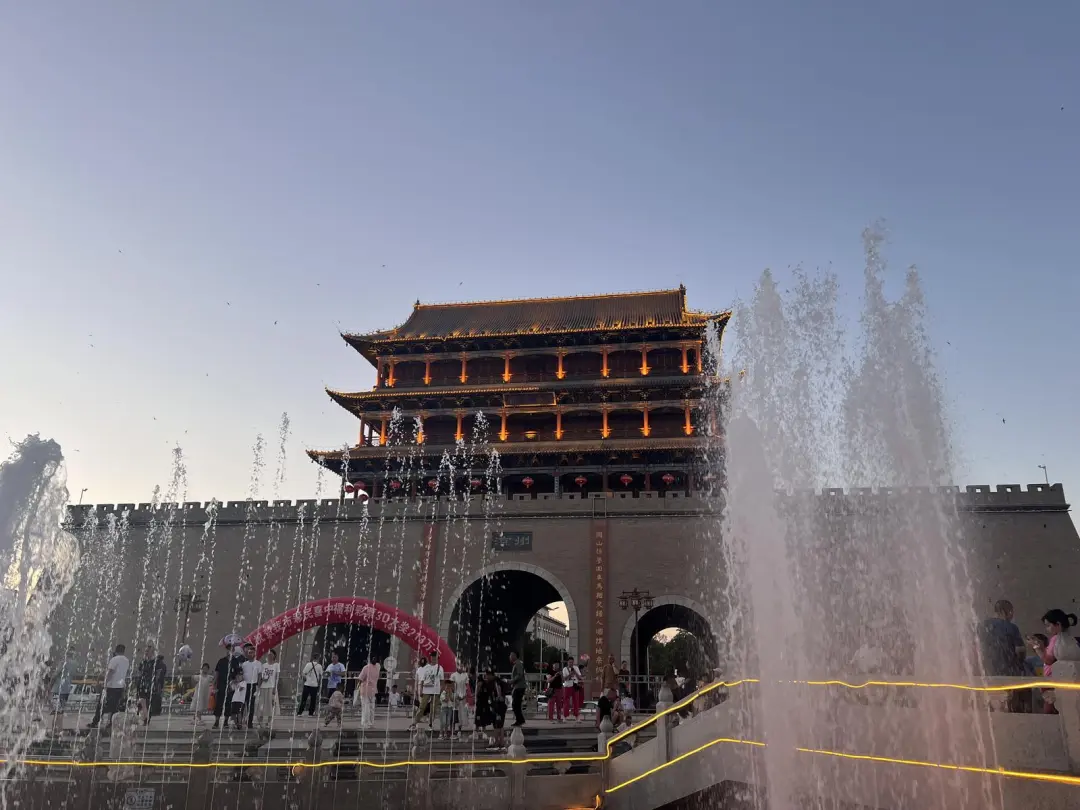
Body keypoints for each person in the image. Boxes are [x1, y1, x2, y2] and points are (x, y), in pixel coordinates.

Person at [1037, 609, 1080, 715]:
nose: (1047, 629)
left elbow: (1049, 660)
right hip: (1066, 679)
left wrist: (1038, 648)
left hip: (1059, 680)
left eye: (1048, 625)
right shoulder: (1070, 641)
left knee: (1051, 711)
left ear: (1058, 625)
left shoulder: (1057, 641)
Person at [88, 643, 129, 730]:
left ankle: (95, 722)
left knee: (101, 705)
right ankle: (111, 723)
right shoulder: (126, 660)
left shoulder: (114, 659)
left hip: (111, 687)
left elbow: (110, 672)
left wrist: (105, 684)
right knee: (115, 707)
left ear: (116, 651)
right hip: (120, 687)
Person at [410, 655, 444, 731]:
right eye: (432, 658)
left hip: (436, 691)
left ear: (437, 659)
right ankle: (414, 723)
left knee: (433, 709)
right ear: (430, 658)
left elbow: (442, 680)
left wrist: (440, 691)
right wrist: (421, 690)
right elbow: (422, 679)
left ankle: (430, 724)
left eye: (435, 658)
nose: (434, 659)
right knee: (422, 707)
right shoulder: (426, 667)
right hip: (426, 690)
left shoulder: (440, 668)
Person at [213, 646, 243, 730]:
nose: (229, 651)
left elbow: (238, 674)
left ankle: (226, 721)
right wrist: (214, 684)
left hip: (231, 686)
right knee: (219, 703)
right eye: (228, 649)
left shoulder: (235, 661)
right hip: (221, 685)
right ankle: (216, 721)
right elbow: (217, 672)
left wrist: (237, 683)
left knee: (228, 704)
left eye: (231, 649)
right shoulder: (221, 661)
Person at [254, 649, 279, 729]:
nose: (269, 656)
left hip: (271, 687)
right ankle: (259, 722)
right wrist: (262, 680)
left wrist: (275, 688)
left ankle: (268, 722)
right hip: (263, 687)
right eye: (268, 654)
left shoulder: (276, 665)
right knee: (261, 705)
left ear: (274, 656)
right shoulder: (263, 665)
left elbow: (276, 678)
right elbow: (260, 677)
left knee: (270, 706)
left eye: (271, 654)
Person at [241, 644, 262, 729]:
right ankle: (240, 722)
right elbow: (241, 675)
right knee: (243, 704)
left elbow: (260, 676)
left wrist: (258, 687)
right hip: (245, 686)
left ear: (255, 654)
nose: (250, 654)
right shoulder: (244, 664)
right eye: (249, 653)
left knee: (251, 705)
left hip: (253, 685)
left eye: (252, 652)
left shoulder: (258, 663)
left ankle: (250, 722)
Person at [356, 656, 380, 729]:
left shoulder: (366, 668)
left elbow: (360, 679)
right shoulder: (377, 667)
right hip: (373, 690)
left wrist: (357, 688)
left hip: (365, 690)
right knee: (372, 708)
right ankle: (371, 723)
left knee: (365, 707)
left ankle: (365, 723)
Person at [136, 645, 157, 725]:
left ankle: (146, 718)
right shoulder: (144, 662)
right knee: (142, 702)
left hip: (149, 685)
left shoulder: (154, 662)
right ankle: (144, 718)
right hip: (142, 684)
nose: (146, 653)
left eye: (147, 651)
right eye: (145, 651)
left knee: (146, 703)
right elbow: (140, 671)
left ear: (152, 652)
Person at [450, 660, 470, 736]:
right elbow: (452, 687)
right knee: (454, 714)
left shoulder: (465, 675)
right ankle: (452, 730)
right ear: (457, 666)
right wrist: (456, 695)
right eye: (460, 666)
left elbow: (467, 686)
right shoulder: (453, 675)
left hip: (463, 697)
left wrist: (465, 695)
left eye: (462, 666)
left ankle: (459, 730)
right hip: (456, 697)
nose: (461, 667)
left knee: (461, 714)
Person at [508, 651, 527, 727]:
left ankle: (520, 720)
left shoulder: (518, 664)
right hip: (517, 686)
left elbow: (519, 675)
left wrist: (512, 681)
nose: (510, 657)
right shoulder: (517, 664)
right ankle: (520, 720)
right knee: (516, 704)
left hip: (519, 687)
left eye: (511, 655)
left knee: (515, 704)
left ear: (515, 656)